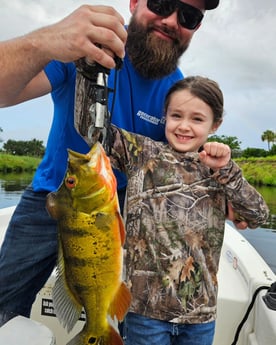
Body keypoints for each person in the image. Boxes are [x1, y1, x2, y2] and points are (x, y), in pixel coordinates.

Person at [0, 0, 231, 325]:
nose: (171, 20)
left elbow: (180, 171)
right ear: (135, 2)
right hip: (51, 197)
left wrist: (218, 187)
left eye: (188, 15)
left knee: (131, 316)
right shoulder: (85, 48)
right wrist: (45, 41)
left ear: (196, 27)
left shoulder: (177, 95)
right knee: (3, 305)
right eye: (162, 3)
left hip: (125, 209)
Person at [103, 76, 269, 345]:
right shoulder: (142, 153)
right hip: (144, 312)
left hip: (200, 317)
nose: (184, 126)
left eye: (197, 119)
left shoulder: (220, 169)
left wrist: (227, 170)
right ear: (164, 116)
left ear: (215, 125)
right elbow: (90, 128)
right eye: (176, 115)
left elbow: (259, 215)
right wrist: (91, 71)